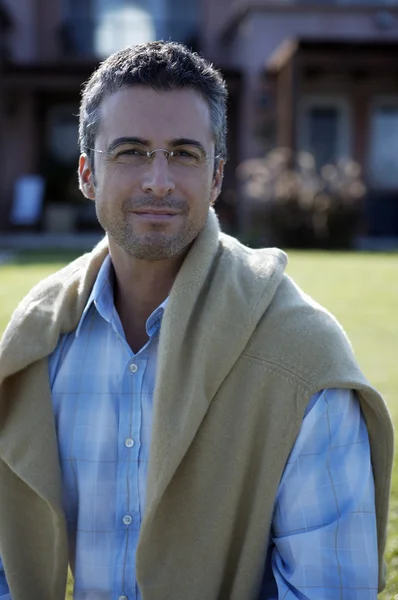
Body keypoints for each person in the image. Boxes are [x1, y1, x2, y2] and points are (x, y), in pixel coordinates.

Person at [0, 41, 394, 600]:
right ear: (88, 173)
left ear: (216, 178)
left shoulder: (302, 359)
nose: (158, 181)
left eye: (184, 153)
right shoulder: (36, 344)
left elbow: (330, 590)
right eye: (131, 151)